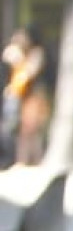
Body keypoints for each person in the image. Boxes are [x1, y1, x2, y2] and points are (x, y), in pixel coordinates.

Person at [3, 26, 51, 167]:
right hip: (22, 96)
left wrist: (19, 61)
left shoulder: (36, 54)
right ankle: (22, 160)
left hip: (34, 94)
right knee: (23, 130)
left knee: (33, 129)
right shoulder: (19, 54)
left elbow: (30, 73)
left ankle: (36, 160)